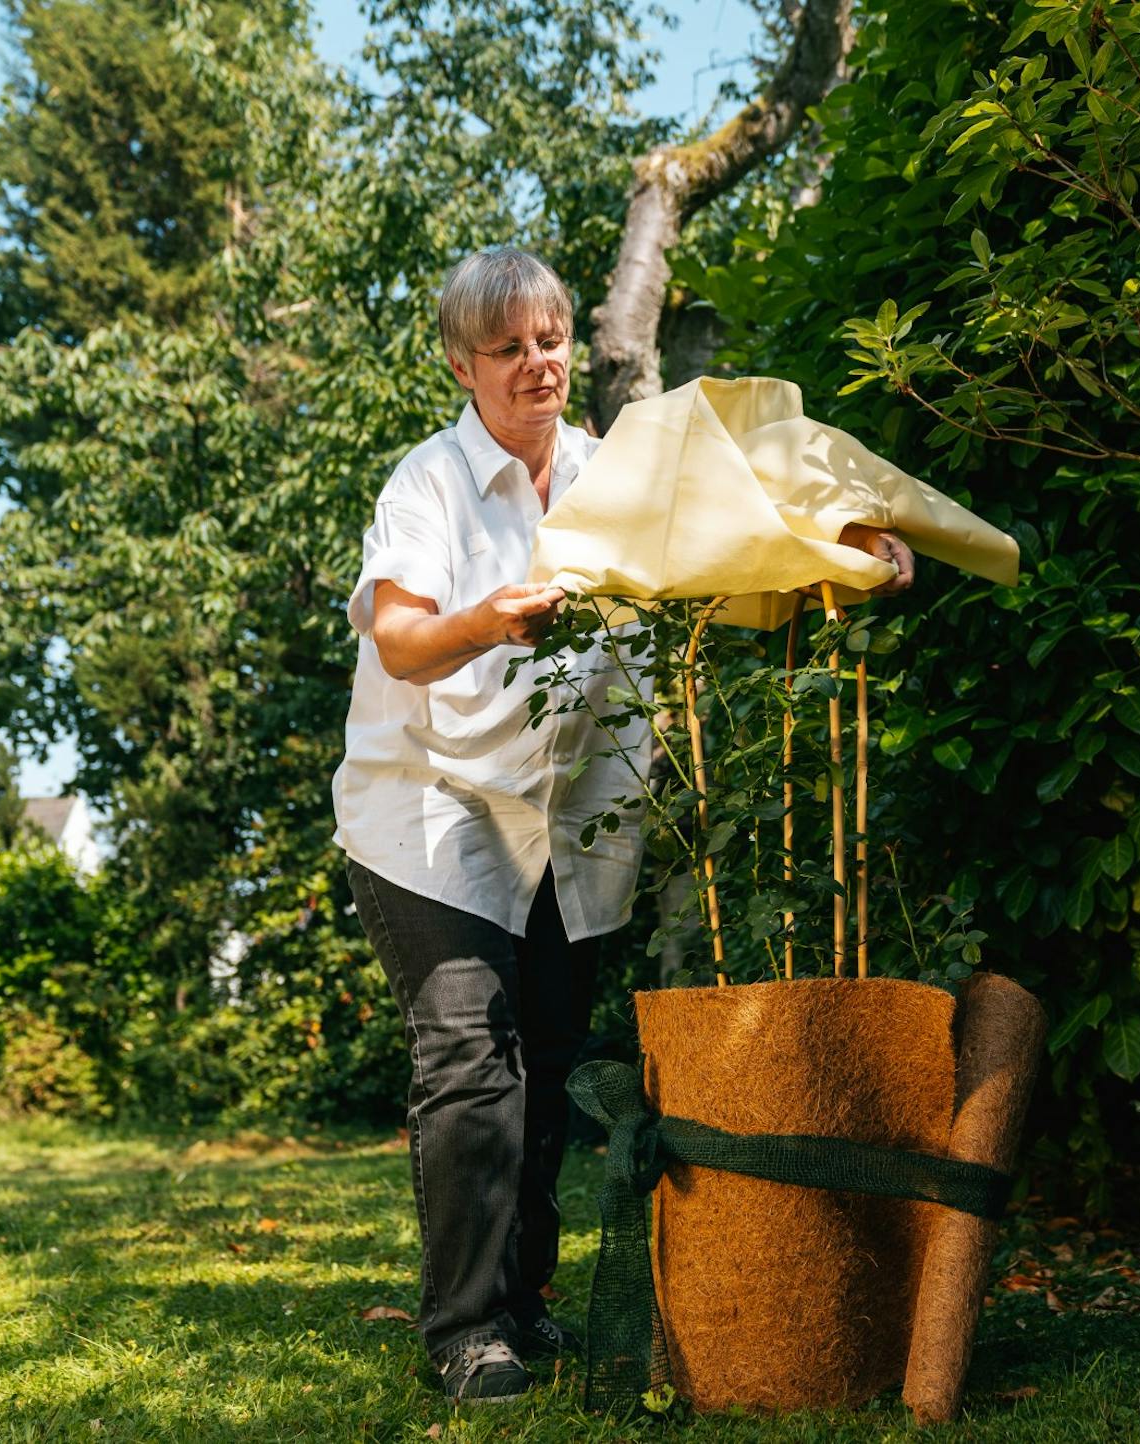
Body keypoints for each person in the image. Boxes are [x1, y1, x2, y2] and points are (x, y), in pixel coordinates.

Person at [331, 245, 916, 1405]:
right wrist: (490, 619)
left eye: (549, 340)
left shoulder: (612, 477)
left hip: (568, 816)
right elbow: (398, 637)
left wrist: (849, 558)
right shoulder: (428, 485)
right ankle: (464, 1332)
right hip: (429, 812)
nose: (537, 364)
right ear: (461, 366)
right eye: (507, 348)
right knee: (471, 1060)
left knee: (548, 1063)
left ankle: (522, 1303)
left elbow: (741, 547)